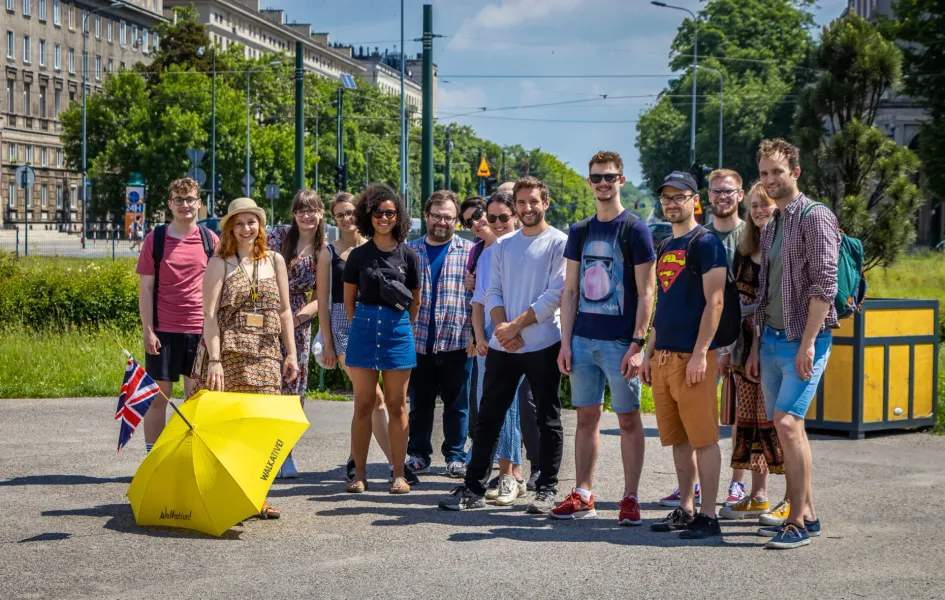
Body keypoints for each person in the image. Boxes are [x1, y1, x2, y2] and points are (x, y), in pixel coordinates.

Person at [439, 176, 567, 514]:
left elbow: (555, 295)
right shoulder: (503, 246)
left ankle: (547, 489)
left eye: (533, 202)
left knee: (547, 418)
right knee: (489, 417)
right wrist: (501, 329)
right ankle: (473, 488)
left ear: (546, 203)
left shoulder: (559, 243)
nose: (527, 208)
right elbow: (490, 291)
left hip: (542, 343)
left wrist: (516, 326)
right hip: (503, 346)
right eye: (521, 202)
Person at [746, 138, 839, 549]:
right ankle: (809, 514)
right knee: (788, 427)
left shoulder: (815, 217)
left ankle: (797, 521)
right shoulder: (773, 225)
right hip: (769, 341)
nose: (770, 180)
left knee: (787, 423)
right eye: (764, 173)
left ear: (795, 172)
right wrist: (753, 348)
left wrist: (808, 343)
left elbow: (825, 284)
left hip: (803, 341)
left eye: (777, 172)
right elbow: (766, 291)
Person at [553, 151, 655, 524]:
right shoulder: (580, 231)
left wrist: (638, 344)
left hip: (621, 343)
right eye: (597, 177)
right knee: (585, 419)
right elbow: (570, 291)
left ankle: (630, 497)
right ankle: (583, 492)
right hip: (583, 340)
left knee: (628, 419)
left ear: (621, 180)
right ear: (590, 181)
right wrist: (566, 342)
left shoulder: (635, 229)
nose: (603, 183)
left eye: (610, 177)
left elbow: (647, 291)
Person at [199, 197, 299, 520]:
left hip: (267, 355)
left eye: (251, 222)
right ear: (230, 227)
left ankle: (258, 496)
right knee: (233, 429)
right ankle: (231, 495)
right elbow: (209, 316)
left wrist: (292, 354)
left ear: (260, 225)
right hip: (230, 357)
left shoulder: (275, 261)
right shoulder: (219, 263)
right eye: (239, 223)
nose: (246, 229)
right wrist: (214, 359)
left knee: (263, 428)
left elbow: (285, 311)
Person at [641, 170, 727, 540]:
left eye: (680, 196)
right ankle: (687, 508)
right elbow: (663, 303)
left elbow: (716, 301)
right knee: (678, 439)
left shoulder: (706, 243)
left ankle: (709, 515)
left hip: (692, 360)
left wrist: (700, 354)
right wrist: (648, 351)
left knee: (704, 438)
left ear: (696, 200)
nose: (672, 203)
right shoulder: (666, 246)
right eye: (667, 197)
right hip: (663, 358)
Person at [342, 183, 422, 495]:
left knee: (397, 405)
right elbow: (349, 301)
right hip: (364, 329)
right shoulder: (358, 256)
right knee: (362, 405)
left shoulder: (409, 256)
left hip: (397, 332)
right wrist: (360, 326)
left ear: (398, 216)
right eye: (378, 212)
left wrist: (399, 327)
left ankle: (398, 474)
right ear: (368, 215)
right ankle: (359, 474)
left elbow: (415, 302)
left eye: (390, 212)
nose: (384, 218)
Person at [719, 181, 789, 523]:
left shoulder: (785, 244)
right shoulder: (745, 248)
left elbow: (765, 305)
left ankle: (793, 498)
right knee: (750, 424)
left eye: (765, 204)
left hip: (774, 346)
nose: (759, 211)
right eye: (754, 206)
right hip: (743, 350)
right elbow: (735, 305)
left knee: (781, 425)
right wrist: (727, 349)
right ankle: (758, 495)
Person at [135, 178, 218, 454]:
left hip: (200, 330)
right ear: (170, 204)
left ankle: (189, 455)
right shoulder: (156, 239)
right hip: (164, 331)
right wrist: (148, 330)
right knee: (160, 397)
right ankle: (154, 456)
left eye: (191, 199)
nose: (185, 205)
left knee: (195, 399)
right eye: (179, 200)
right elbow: (146, 289)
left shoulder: (210, 240)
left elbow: (221, 286)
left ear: (199, 204)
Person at [317, 192, 393, 482]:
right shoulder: (329, 252)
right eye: (340, 215)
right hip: (343, 323)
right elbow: (323, 301)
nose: (347, 219)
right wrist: (327, 342)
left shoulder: (377, 246)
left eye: (350, 212)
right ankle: (395, 464)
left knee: (367, 400)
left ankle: (355, 458)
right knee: (374, 397)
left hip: (377, 320)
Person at [404, 190, 474, 481]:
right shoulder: (409, 251)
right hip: (418, 339)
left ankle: (455, 456)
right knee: (419, 403)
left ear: (456, 220)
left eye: (448, 217)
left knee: (457, 404)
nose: (441, 222)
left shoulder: (470, 251)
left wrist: (475, 334)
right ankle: (418, 453)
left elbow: (477, 297)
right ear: (427, 216)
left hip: (457, 339)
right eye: (436, 216)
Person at [465, 190, 528, 505]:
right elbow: (479, 300)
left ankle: (509, 476)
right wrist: (479, 337)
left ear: (515, 216)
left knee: (509, 406)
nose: (498, 223)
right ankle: (510, 474)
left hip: (519, 330)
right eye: (492, 218)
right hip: (488, 334)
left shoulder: (529, 247)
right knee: (488, 406)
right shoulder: (487, 253)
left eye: (504, 217)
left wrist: (511, 329)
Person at [266, 189, 324, 479]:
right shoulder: (276, 237)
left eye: (312, 209)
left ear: (321, 213)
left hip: (298, 321)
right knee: (265, 384)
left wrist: (296, 319)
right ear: (293, 214)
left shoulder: (323, 249)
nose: (307, 215)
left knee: (293, 388)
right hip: (266, 313)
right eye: (301, 210)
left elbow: (320, 297)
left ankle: (285, 453)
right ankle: (261, 451)